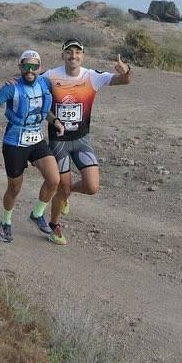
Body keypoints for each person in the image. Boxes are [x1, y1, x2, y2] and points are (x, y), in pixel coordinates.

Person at [42, 39, 133, 245]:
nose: (73, 56)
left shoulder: (92, 76)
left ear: (82, 55)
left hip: (82, 140)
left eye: (77, 52)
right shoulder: (50, 76)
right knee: (61, 189)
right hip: (59, 142)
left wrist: (126, 70)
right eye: (69, 52)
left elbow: (126, 81)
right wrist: (13, 82)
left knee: (92, 187)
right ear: (62, 55)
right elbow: (29, 85)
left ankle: (67, 192)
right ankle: (53, 225)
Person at [0, 49, 65, 244]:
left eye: (34, 66)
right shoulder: (11, 87)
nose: (30, 70)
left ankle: (36, 214)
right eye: (26, 66)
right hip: (14, 142)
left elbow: (44, 111)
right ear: (20, 66)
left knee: (54, 179)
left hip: (36, 139)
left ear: (39, 68)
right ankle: (6, 221)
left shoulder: (44, 83)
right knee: (14, 188)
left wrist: (56, 121)